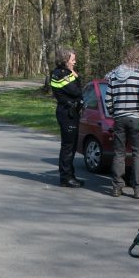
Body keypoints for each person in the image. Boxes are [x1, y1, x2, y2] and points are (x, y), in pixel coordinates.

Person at [105, 46, 139, 198]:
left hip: (119, 118)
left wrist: (114, 113)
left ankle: (117, 187)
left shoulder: (113, 76)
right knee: (138, 153)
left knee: (119, 153)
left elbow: (108, 100)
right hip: (136, 118)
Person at [50, 48, 84, 188]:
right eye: (72, 59)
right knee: (68, 147)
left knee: (71, 146)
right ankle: (66, 177)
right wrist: (76, 77)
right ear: (65, 60)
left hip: (69, 112)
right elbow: (77, 91)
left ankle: (69, 174)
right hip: (67, 113)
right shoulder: (62, 74)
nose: (74, 62)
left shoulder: (62, 73)